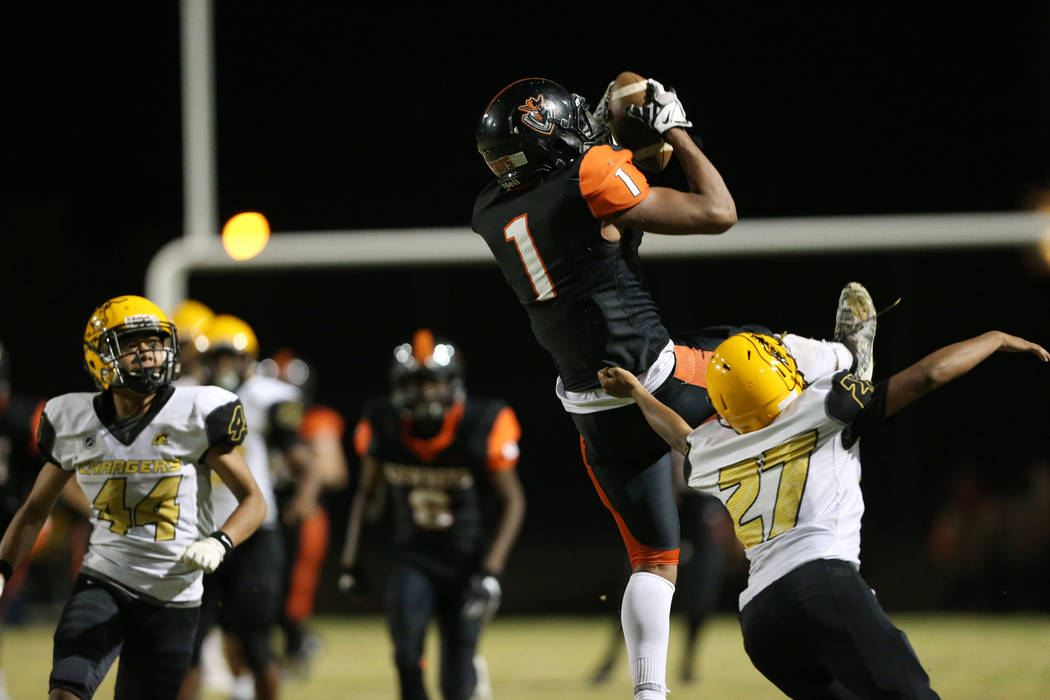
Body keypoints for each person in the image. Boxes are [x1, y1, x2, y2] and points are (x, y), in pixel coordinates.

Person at [596, 281, 1050, 699]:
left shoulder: (714, 447)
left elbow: (679, 434)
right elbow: (929, 375)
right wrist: (995, 338)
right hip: (821, 582)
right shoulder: (825, 404)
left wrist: (638, 392)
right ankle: (852, 355)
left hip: (760, 622)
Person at [472, 76, 736, 698]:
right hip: (657, 377)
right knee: (761, 348)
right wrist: (673, 126)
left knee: (652, 559)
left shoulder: (490, 208)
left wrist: (624, 144)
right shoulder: (589, 176)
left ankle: (649, 692)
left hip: (592, 408)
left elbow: (601, 214)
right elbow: (717, 212)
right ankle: (841, 376)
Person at [0, 295, 267, 700]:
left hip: (174, 594)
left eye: (154, 343)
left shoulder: (196, 413)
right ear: (99, 355)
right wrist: (2, 568)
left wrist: (220, 540)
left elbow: (254, 500)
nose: (146, 354)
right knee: (65, 692)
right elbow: (35, 509)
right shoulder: (73, 420)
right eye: (131, 345)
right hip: (104, 582)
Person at [339, 329, 526, 700]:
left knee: (455, 684)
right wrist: (350, 560)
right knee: (407, 656)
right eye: (416, 383)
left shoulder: (482, 421)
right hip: (414, 557)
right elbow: (366, 494)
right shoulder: (382, 422)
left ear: (452, 383)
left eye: (433, 383)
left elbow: (513, 501)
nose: (425, 393)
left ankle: (470, 680)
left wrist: (491, 571)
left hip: (466, 560)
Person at [178, 315, 317, 700]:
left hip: (253, 532)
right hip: (197, 532)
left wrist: (305, 496)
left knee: (257, 640)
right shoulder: (182, 396)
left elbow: (302, 462)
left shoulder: (268, 399)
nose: (224, 367)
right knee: (188, 645)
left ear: (248, 361)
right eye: (217, 358)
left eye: (231, 358)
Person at [258, 348, 351, 673]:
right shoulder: (254, 419)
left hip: (302, 511)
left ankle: (296, 643)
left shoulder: (316, 421)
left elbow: (335, 473)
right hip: (262, 510)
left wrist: (302, 462)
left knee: (294, 587)